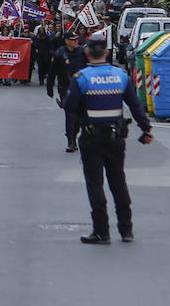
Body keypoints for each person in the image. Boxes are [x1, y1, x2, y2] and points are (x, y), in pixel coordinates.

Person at [63, 31, 153, 244]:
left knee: (95, 184)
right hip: (115, 137)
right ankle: (126, 230)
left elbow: (70, 106)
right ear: (106, 52)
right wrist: (146, 129)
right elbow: (135, 105)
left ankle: (102, 231)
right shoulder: (120, 76)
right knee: (118, 182)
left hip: (91, 137)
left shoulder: (82, 78)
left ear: (86, 52)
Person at [47, 30, 87, 152]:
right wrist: (50, 88)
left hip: (81, 88)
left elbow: (88, 67)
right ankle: (71, 141)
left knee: (80, 116)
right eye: (73, 39)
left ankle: (75, 133)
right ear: (66, 41)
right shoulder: (60, 54)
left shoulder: (81, 52)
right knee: (70, 115)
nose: (76, 41)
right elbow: (52, 72)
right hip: (66, 88)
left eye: (76, 39)